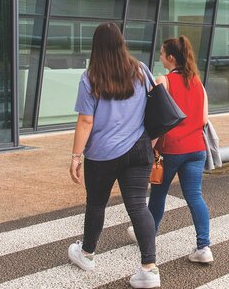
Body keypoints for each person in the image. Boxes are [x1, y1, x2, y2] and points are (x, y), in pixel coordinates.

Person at [69, 22, 161, 288]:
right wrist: (150, 142)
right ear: (121, 43)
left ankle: (87, 254)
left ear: (96, 47)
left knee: (96, 205)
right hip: (138, 149)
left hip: (102, 155)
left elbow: (86, 121)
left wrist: (76, 157)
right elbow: (156, 108)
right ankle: (149, 269)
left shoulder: (90, 78)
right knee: (138, 206)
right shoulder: (141, 70)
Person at [146, 35, 213, 264]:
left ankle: (148, 238)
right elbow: (204, 119)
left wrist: (149, 148)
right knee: (195, 196)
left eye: (162, 54)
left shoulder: (162, 81)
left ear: (171, 58)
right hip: (196, 148)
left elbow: (154, 119)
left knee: (158, 196)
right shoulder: (198, 82)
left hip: (170, 150)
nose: (160, 57)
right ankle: (204, 247)